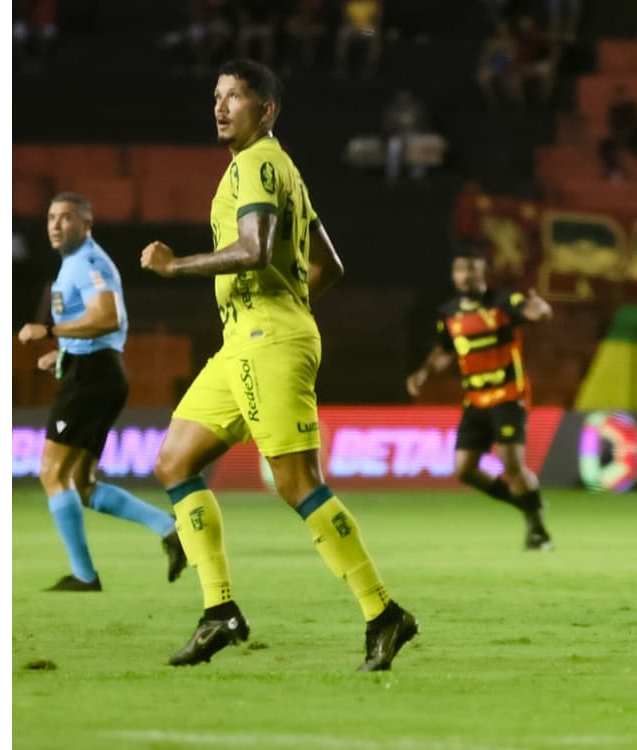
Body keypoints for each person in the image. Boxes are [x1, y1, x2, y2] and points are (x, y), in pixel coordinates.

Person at [138, 59, 416, 671]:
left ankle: (383, 612)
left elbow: (257, 248)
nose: (220, 105)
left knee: (297, 484)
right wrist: (290, 301)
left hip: (266, 338)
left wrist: (175, 266)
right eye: (216, 95)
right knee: (174, 461)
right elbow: (330, 266)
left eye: (235, 96)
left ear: (266, 110)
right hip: (244, 340)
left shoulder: (260, 163)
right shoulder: (272, 168)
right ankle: (220, 613)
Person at [16, 193, 187, 592]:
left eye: (66, 218)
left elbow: (107, 318)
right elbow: (91, 323)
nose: (55, 225)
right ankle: (170, 529)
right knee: (82, 483)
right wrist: (61, 353)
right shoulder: (73, 265)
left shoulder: (90, 262)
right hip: (91, 371)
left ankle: (84, 575)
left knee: (52, 473)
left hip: (91, 377)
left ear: (86, 223)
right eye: (51, 217)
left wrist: (51, 333)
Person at [406, 251, 555, 551]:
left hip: (508, 396)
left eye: (472, 271)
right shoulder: (448, 313)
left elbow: (533, 313)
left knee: (511, 465)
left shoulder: (502, 303)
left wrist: (540, 308)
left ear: (482, 274)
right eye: (461, 271)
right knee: (464, 470)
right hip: (474, 400)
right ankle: (525, 502)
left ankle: (537, 528)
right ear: (454, 276)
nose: (466, 276)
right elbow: (445, 350)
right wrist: (422, 373)